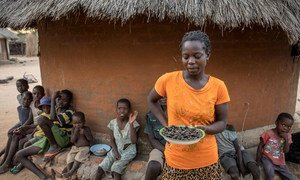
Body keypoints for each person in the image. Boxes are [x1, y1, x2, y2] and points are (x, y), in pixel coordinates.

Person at [147, 31, 230, 179]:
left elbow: (222, 122)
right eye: (186, 57)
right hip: (176, 159)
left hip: (206, 159)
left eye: (197, 56)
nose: (190, 61)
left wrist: (206, 129)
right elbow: (151, 100)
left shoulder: (218, 86)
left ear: (207, 55)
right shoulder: (168, 80)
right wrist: (166, 125)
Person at [15, 90, 75, 179]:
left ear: (69, 102)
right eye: (59, 99)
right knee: (19, 155)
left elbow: (51, 118)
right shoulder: (56, 109)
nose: (61, 102)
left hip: (64, 138)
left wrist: (53, 99)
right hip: (51, 138)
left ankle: (54, 146)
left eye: (65, 100)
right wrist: (26, 127)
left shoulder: (70, 111)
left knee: (41, 119)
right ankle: (44, 177)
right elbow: (48, 122)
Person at [95, 98, 139, 180]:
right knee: (100, 168)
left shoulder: (134, 123)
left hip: (128, 151)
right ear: (116, 110)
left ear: (129, 111)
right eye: (119, 108)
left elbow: (133, 141)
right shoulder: (112, 123)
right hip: (116, 149)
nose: (122, 111)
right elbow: (112, 140)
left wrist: (131, 123)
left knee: (115, 169)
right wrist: (115, 152)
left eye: (125, 109)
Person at [0, 91, 33, 174]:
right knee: (11, 134)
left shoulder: (30, 109)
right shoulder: (19, 108)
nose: (26, 101)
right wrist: (15, 128)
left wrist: (20, 128)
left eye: (29, 100)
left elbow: (29, 121)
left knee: (15, 135)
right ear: (21, 98)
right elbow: (21, 121)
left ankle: (7, 163)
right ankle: (5, 160)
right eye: (24, 99)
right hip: (24, 127)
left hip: (29, 128)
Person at [256, 112, 295, 180]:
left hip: (280, 161)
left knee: (290, 177)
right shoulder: (268, 133)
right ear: (276, 123)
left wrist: (285, 139)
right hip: (267, 158)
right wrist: (258, 160)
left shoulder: (288, 136)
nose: (286, 128)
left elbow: (286, 151)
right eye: (283, 125)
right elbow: (260, 146)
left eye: (289, 127)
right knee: (270, 174)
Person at [62, 111, 94, 178]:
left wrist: (85, 133)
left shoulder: (86, 129)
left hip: (85, 147)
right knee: (70, 156)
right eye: (75, 123)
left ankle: (71, 171)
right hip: (75, 147)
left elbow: (90, 139)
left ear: (84, 122)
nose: (77, 125)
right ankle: (69, 172)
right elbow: (72, 141)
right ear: (72, 123)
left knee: (78, 157)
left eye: (79, 123)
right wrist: (76, 132)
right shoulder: (73, 130)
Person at [144, 98, 167, 180]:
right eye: (161, 95)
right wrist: (165, 151)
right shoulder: (151, 115)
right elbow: (152, 139)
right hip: (160, 148)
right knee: (153, 166)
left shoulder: (181, 113)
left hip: (179, 149)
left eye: (167, 94)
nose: (164, 97)